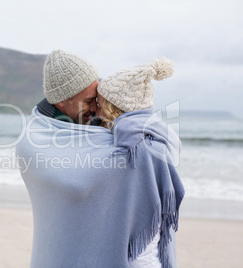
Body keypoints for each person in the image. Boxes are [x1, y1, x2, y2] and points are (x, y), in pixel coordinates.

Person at [16, 52, 184, 268]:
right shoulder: (35, 140)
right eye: (88, 101)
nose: (96, 108)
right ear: (60, 101)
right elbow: (80, 178)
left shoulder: (97, 133)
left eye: (97, 99)